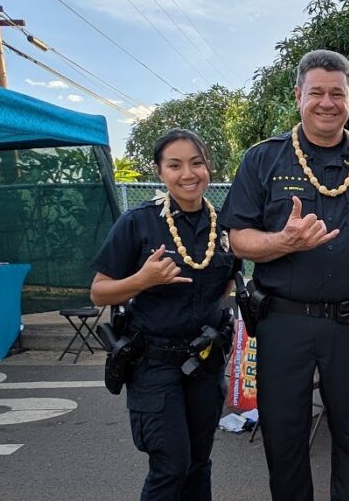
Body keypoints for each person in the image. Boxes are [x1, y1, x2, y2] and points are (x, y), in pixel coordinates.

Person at [220, 49, 349, 501]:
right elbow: (237, 239)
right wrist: (284, 242)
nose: (326, 102)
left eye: (337, 93)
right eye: (316, 92)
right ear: (298, 95)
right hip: (284, 324)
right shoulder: (263, 161)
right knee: (284, 441)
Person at [90, 128, 239, 501]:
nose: (188, 174)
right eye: (175, 165)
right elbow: (98, 292)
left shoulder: (225, 226)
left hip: (205, 362)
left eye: (197, 163)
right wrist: (143, 279)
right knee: (170, 466)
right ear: (160, 172)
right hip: (153, 364)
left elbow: (224, 288)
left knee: (198, 463)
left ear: (209, 167)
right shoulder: (138, 222)